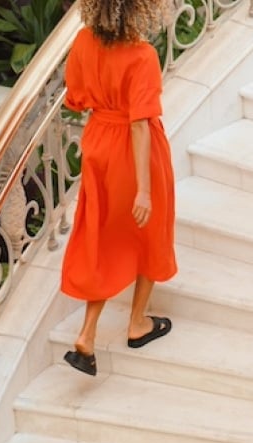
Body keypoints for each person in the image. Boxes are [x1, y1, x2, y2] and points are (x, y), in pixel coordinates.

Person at [60, 0, 177, 377]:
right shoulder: (142, 55)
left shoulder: (82, 41)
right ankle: (137, 323)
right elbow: (140, 124)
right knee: (150, 231)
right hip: (133, 150)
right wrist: (143, 189)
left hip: (98, 145)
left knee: (103, 235)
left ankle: (87, 335)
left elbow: (75, 99)